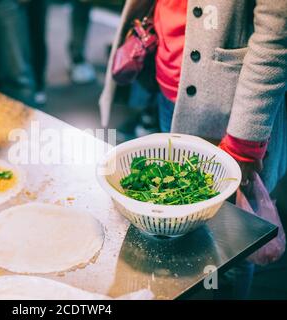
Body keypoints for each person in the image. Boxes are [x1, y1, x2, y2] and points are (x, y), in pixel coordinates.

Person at [100, 0, 287, 298]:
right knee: (176, 232)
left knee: (229, 249)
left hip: (229, 111)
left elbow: (275, 37)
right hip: (169, 84)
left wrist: (243, 143)